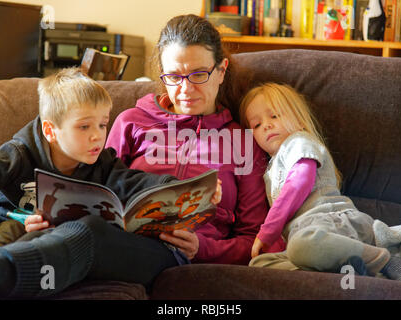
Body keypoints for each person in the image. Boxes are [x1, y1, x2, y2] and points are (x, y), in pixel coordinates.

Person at [0, 67, 221, 299]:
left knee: (85, 228)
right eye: (84, 127)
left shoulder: (103, 164)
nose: (97, 135)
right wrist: (16, 217)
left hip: (138, 245)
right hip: (29, 232)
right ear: (50, 131)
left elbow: (135, 182)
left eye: (103, 125)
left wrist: (183, 188)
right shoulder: (19, 154)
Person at [105, 14, 285, 265]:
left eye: (199, 74)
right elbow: (97, 190)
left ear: (221, 71)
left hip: (174, 256)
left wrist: (202, 248)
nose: (186, 90)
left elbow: (255, 239)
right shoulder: (131, 122)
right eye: (174, 77)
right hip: (116, 239)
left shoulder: (242, 142)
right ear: (162, 75)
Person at [239, 82, 401, 282]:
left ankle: (384, 261)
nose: (267, 125)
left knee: (302, 246)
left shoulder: (298, 141)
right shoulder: (270, 169)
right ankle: (351, 271)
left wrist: (267, 232)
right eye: (256, 125)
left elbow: (300, 182)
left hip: (333, 224)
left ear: (299, 120)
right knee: (260, 264)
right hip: (307, 239)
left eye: (274, 115)